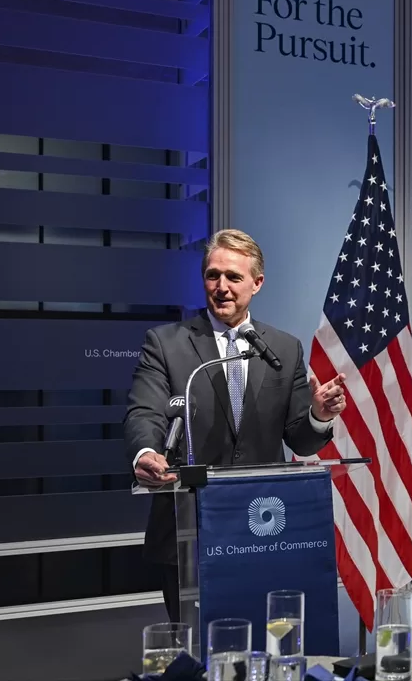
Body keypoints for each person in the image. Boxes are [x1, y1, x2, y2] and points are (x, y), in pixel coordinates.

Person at [123, 228, 346, 621]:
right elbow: (145, 411)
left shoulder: (283, 348)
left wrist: (319, 416)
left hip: (265, 528)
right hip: (190, 528)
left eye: (233, 277)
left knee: (264, 638)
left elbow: (300, 439)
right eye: (213, 275)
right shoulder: (166, 343)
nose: (221, 287)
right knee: (195, 643)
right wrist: (146, 452)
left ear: (257, 283)